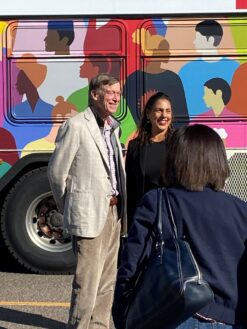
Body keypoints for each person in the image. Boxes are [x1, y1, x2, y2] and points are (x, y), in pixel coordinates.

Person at [113, 124, 247, 329]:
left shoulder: (157, 201)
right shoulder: (240, 209)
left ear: (174, 160)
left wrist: (122, 316)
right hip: (231, 318)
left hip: (174, 314)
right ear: (218, 161)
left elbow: (131, 266)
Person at [47, 73, 127, 329]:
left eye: (118, 92)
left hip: (115, 212)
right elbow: (57, 173)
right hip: (89, 213)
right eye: (110, 92)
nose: (116, 97)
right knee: (87, 282)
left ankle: (100, 326)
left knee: (107, 281)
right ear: (94, 95)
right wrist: (71, 206)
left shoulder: (113, 127)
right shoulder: (76, 125)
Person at [125, 92, 173, 227]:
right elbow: (131, 187)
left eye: (168, 111)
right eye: (159, 110)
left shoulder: (179, 143)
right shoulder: (135, 146)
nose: (164, 115)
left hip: (171, 216)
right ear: (148, 114)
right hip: (144, 216)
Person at [179, 19, 239, 116]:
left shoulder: (234, 68)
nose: (194, 42)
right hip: (195, 127)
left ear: (210, 40)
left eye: (198, 38)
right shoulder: (186, 70)